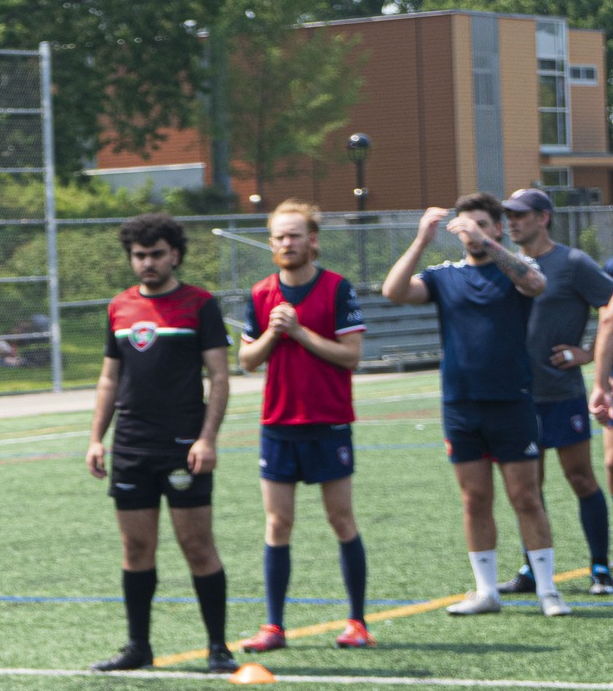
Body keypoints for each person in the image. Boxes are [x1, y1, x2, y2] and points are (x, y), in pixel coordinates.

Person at [381, 194, 565, 616]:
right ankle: (486, 591)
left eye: (483, 224)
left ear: (497, 228)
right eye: (467, 225)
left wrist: (487, 242)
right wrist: (422, 239)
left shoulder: (513, 269)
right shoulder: (444, 276)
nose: (474, 232)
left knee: (526, 496)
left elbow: (536, 284)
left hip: (511, 401)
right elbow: (394, 291)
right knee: (474, 499)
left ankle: (548, 589)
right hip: (461, 405)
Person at [84, 214, 235, 673]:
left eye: (156, 254)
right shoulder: (119, 308)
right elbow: (110, 379)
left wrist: (207, 439)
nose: (147, 263)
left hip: (183, 445)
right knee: (135, 549)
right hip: (131, 445)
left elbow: (220, 376)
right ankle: (138, 648)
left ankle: (217, 648)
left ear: (175, 255)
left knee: (197, 545)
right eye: (139, 255)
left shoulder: (200, 304)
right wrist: (96, 439)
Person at [235, 201, 372, 652]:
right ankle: (274, 627)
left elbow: (351, 356)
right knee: (277, 524)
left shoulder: (336, 288)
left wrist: (299, 332)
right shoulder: (260, 294)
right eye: (279, 237)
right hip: (278, 425)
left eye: (295, 235)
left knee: (341, 519)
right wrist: (275, 333)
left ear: (313, 240)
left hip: (329, 423)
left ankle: (357, 622)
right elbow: (247, 361)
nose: (286, 244)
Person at [490, 188, 613, 596]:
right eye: (508, 215)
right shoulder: (505, 265)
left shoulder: (573, 262)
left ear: (544, 217)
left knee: (580, 478)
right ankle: (533, 570)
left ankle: (600, 568)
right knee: (528, 488)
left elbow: (610, 305)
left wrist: (586, 354)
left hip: (561, 392)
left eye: (520, 215)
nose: (512, 222)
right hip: (516, 396)